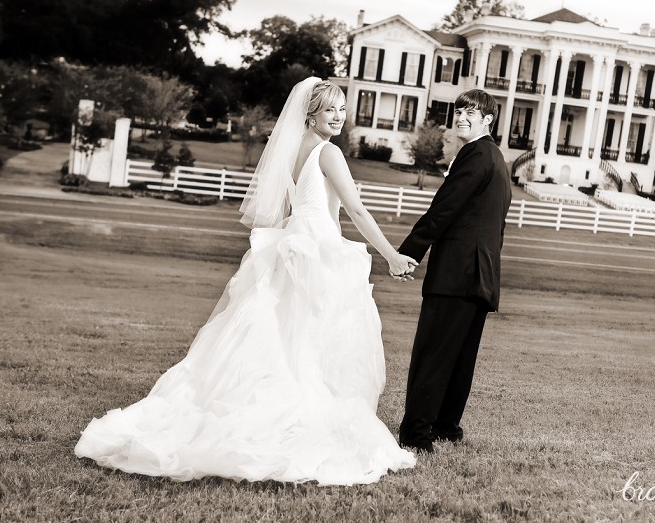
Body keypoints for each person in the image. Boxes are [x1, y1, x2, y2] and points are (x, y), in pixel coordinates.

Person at [74, 77, 418, 485]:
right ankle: (297, 422)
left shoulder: (291, 150)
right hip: (318, 251)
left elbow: (294, 207)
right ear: (311, 113)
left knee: (285, 339)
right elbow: (356, 211)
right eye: (331, 110)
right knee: (310, 344)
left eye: (343, 109)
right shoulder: (328, 152)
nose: (339, 117)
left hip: (293, 245)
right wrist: (392, 256)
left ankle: (267, 411)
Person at [396, 89, 512, 453]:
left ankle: (416, 432)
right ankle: (446, 426)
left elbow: (444, 208)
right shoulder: (496, 158)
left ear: (488, 120)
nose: (461, 117)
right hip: (479, 276)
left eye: (471, 112)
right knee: (459, 356)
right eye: (458, 110)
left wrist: (409, 251)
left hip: (457, 273)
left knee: (433, 353)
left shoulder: (475, 155)